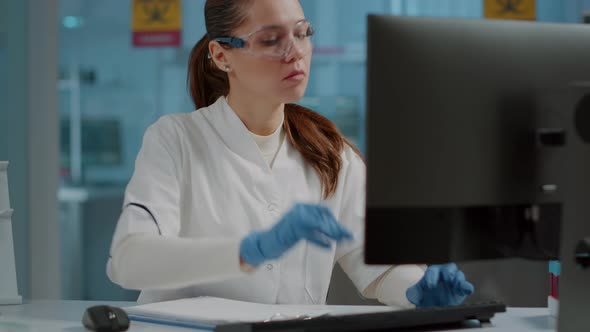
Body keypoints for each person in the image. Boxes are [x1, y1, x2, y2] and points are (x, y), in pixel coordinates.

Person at [107, 0, 474, 307]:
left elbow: (380, 267)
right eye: (270, 40)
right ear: (221, 55)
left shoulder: (330, 153)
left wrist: (416, 290)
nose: (295, 52)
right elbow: (128, 261)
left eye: (302, 33)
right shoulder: (175, 139)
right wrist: (250, 250)